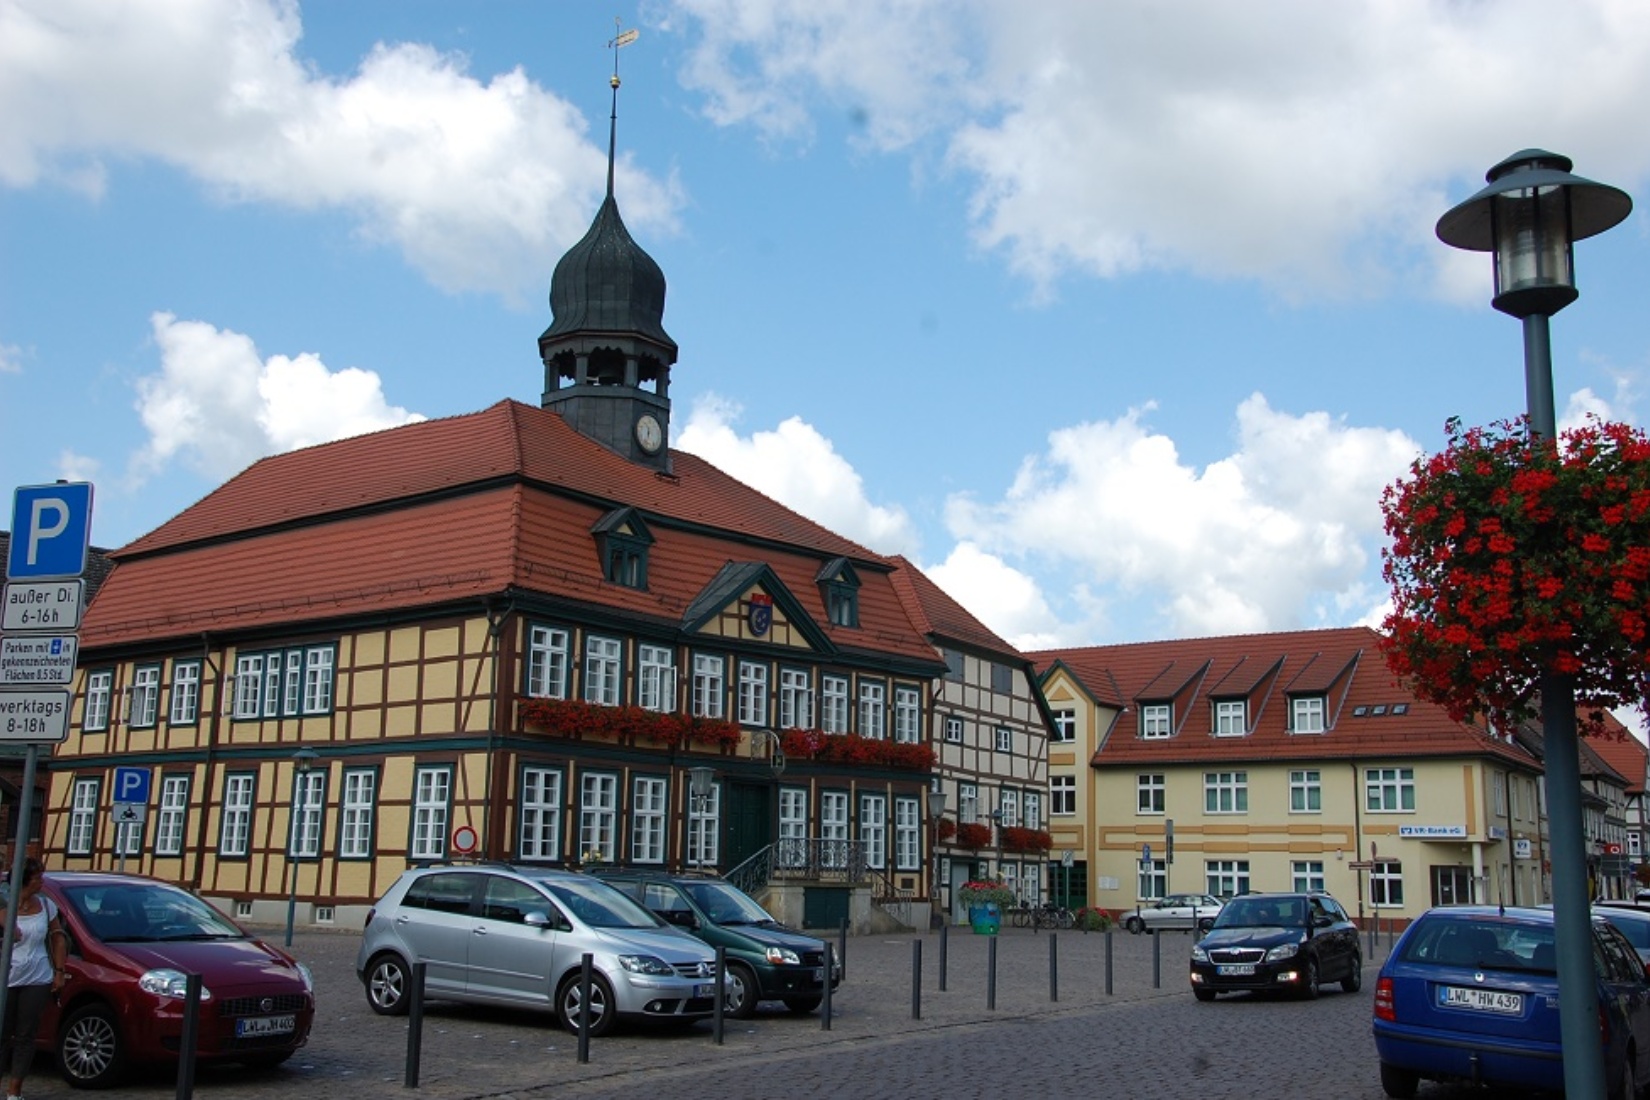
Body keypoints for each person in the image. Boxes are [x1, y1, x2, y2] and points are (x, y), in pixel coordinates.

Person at [0, 859, 67, 1100]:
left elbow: (58, 937)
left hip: (37, 976)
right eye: (38, 878)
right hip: (7, 977)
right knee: (2, 1032)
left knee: (26, 1034)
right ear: (25, 880)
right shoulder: (4, 906)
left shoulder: (47, 906)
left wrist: (59, 972)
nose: (42, 881)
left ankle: (15, 1090)